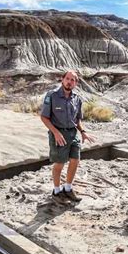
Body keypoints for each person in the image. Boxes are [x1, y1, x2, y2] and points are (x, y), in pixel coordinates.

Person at [40, 70, 94, 205]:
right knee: (59, 163)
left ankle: (68, 188)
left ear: (76, 83)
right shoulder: (52, 96)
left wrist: (83, 132)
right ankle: (57, 191)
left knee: (75, 160)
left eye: (73, 80)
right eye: (68, 79)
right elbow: (44, 117)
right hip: (58, 133)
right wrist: (56, 133)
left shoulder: (77, 98)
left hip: (73, 133)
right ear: (62, 79)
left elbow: (77, 119)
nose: (70, 82)